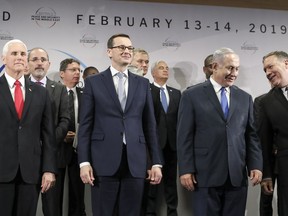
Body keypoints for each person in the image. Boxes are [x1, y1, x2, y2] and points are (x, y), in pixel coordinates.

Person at [77, 33, 163, 216]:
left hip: (136, 161)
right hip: (103, 160)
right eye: (121, 47)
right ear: (109, 51)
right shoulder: (93, 82)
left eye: (130, 48)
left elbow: (150, 125)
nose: (127, 51)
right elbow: (85, 126)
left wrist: (156, 162)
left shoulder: (142, 83)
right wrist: (84, 162)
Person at [177, 47, 263, 216]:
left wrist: (256, 165)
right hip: (204, 175)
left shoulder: (245, 98)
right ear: (215, 67)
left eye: (237, 69)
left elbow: (251, 136)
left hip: (236, 175)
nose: (234, 73)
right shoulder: (191, 95)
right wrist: (186, 169)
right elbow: (184, 136)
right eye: (230, 68)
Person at [0, 39, 57, 216]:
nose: (19, 57)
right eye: (14, 54)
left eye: (23, 54)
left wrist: (48, 169)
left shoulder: (41, 92)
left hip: (30, 171)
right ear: (4, 59)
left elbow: (48, 134)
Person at [28, 47, 70, 216]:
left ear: (49, 64)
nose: (39, 63)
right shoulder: (19, 87)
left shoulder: (59, 89)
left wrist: (48, 142)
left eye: (43, 59)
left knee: (52, 209)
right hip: (25, 159)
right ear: (27, 64)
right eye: (35, 59)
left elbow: (65, 120)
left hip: (53, 157)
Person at [146, 60, 181, 216]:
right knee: (152, 182)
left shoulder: (176, 93)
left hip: (172, 145)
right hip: (153, 144)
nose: (165, 70)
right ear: (153, 73)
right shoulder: (147, 90)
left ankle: (172, 212)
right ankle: (150, 212)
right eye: (161, 68)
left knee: (170, 182)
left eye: (167, 68)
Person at [259, 51, 288, 216]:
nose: (268, 73)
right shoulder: (265, 102)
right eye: (264, 70)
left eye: (270, 67)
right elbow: (265, 141)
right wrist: (267, 175)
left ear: (286, 63)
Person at [60, 58, 86, 216]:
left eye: (79, 70)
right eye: (73, 70)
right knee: (55, 197)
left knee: (78, 195)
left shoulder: (85, 94)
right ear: (62, 73)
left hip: (79, 151)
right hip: (58, 150)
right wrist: (61, 134)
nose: (77, 73)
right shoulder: (53, 92)